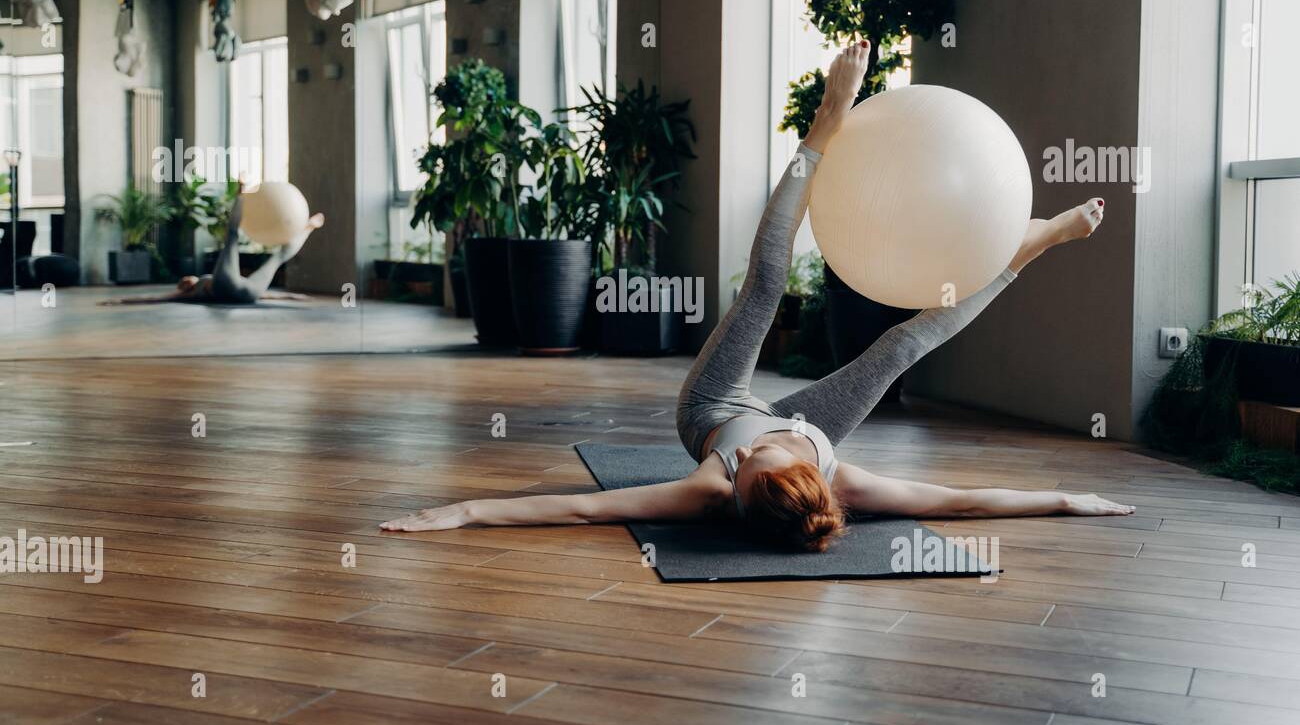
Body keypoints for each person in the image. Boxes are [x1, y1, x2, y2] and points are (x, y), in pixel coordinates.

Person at [382, 43, 1134, 548]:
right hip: (816, 425)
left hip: (711, 409)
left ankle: (822, 127)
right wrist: (1071, 500)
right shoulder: (844, 478)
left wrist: (465, 511)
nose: (758, 459)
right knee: (904, 344)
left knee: (767, 285)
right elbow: (960, 502)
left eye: (755, 467)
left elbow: (584, 507)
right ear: (808, 476)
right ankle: (1025, 251)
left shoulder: (710, 481)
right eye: (770, 462)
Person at [104, 186, 324, 306]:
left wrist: (292, 297)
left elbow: (266, 295)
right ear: (187, 287)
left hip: (247, 293)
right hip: (234, 290)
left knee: (277, 258)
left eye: (186, 278)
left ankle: (308, 227)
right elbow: (156, 298)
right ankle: (241, 193)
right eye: (185, 282)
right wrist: (122, 300)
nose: (187, 279)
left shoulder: (201, 285)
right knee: (231, 240)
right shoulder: (195, 291)